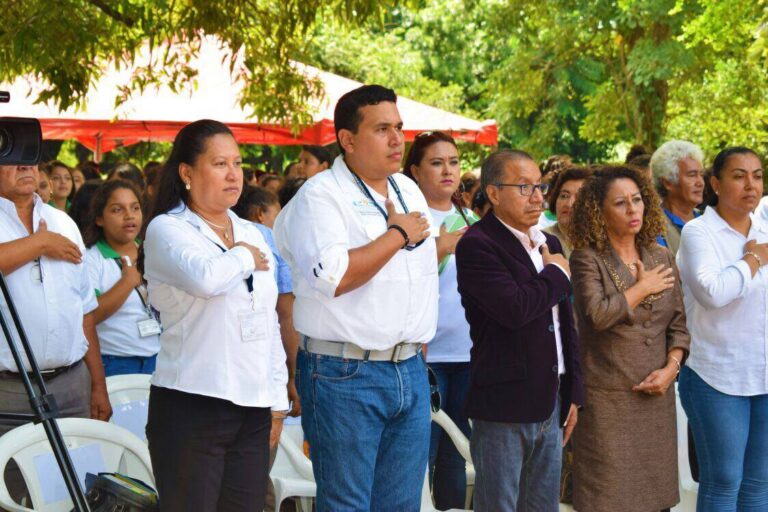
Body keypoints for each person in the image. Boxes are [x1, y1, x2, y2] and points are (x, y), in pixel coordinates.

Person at [274, 84, 436, 511]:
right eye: (382, 129)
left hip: (409, 369)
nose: (397, 139)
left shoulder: (407, 189)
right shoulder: (320, 195)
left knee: (401, 505)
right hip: (344, 372)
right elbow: (335, 277)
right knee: (347, 505)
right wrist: (398, 235)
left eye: (399, 128)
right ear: (347, 139)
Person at [142, 119, 288, 511]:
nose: (233, 174)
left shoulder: (252, 231)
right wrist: (242, 257)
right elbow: (206, 279)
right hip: (193, 402)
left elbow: (268, 321)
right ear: (187, 172)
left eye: (238, 164)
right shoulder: (168, 229)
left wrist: (277, 400)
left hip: (253, 403)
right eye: (220, 163)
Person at [455, 149, 582, 511]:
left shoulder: (548, 242)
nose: (539, 197)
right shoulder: (478, 244)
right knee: (500, 504)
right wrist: (557, 274)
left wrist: (573, 388)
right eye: (524, 187)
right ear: (493, 193)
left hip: (552, 396)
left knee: (543, 505)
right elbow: (515, 309)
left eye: (540, 186)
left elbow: (563, 325)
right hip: (504, 402)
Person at [568, 165, 690, 512]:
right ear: (599, 212)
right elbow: (598, 315)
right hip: (608, 404)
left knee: (657, 501)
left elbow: (679, 326)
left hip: (656, 399)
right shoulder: (586, 258)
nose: (633, 209)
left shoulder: (660, 254)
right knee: (609, 501)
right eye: (620, 203)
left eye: (637, 200)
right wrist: (642, 288)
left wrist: (672, 368)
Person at [0, 162, 112, 498]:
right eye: (12, 156)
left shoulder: (63, 222)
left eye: (32, 157)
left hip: (71, 384)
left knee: (72, 492)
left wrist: (98, 385)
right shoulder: (52, 231)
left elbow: (84, 312)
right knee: (11, 494)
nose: (25, 166)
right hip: (9, 390)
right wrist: (39, 243)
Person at [677, 146, 768, 511]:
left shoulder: (764, 227)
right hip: (716, 373)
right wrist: (752, 259)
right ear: (715, 183)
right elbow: (713, 292)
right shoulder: (699, 232)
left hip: (762, 373)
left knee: (759, 483)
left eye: (757, 175)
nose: (751, 184)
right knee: (723, 481)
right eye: (738, 175)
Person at [404, 131, 478, 510]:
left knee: (456, 449)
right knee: (420, 451)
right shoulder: (407, 220)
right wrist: (440, 248)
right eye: (436, 162)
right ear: (415, 170)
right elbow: (397, 282)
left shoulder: (474, 220)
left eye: (453, 161)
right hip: (422, 356)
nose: (447, 170)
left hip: (468, 353)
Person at [84, 180, 160, 377]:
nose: (129, 216)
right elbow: (89, 316)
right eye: (117, 210)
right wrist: (127, 282)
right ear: (99, 218)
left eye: (135, 208)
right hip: (114, 361)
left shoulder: (151, 250)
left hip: (159, 357)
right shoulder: (91, 259)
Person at [650, 140, 705, 256]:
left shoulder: (707, 219)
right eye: (692, 175)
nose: (700, 182)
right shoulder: (655, 227)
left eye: (701, 174)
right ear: (668, 183)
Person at [543, 166, 591, 258]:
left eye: (579, 197)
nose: (569, 204)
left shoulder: (603, 242)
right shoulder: (541, 240)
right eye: (564, 196)